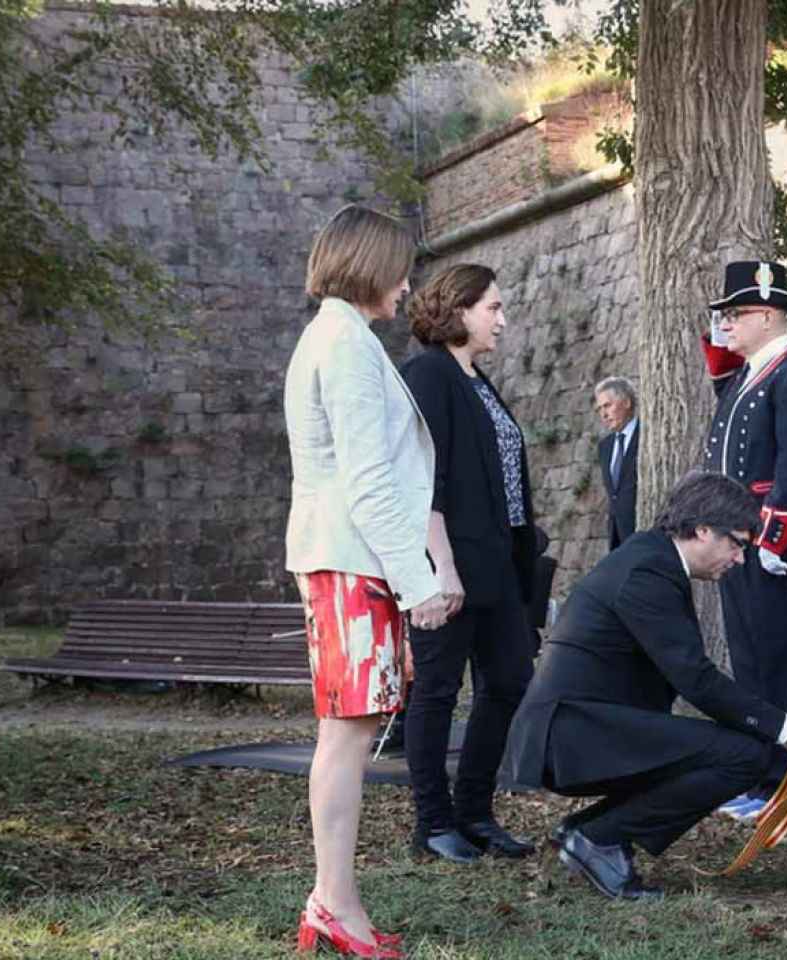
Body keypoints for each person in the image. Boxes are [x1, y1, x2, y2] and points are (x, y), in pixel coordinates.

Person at [503, 471, 787, 901]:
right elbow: (696, 679)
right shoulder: (648, 572)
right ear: (701, 530)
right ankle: (599, 839)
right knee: (745, 756)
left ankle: (589, 833)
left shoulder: (652, 559)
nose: (739, 559)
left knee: (725, 746)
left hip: (585, 726)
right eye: (736, 543)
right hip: (569, 735)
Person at [284, 204, 449, 959]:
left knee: (344, 737)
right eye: (400, 267)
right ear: (369, 263)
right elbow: (369, 482)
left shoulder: (337, 335)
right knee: (348, 739)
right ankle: (334, 905)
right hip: (351, 558)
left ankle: (335, 900)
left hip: (344, 557)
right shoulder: (343, 343)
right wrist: (417, 583)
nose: (408, 284)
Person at [398, 263, 540, 864]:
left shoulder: (477, 378)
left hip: (502, 563)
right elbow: (424, 478)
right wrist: (441, 566)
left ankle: (476, 812)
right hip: (450, 562)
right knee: (434, 690)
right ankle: (433, 822)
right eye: (494, 308)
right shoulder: (429, 375)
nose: (502, 321)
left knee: (509, 679)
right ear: (459, 310)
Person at [697, 260, 787, 820]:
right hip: (739, 538)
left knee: (782, 661)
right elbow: (719, 359)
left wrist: (774, 539)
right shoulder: (750, 373)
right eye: (725, 315)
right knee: (749, 660)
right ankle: (759, 773)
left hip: (778, 543)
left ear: (770, 314)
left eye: (738, 313)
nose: (727, 324)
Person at [593, 376, 640, 551]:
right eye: (599, 409)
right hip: (617, 538)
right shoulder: (605, 447)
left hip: (643, 532)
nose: (603, 414)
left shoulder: (647, 437)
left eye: (607, 406)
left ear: (627, 402)